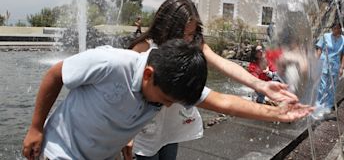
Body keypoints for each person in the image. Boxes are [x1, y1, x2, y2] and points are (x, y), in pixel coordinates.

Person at [127, 0, 310, 160]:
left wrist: (260, 84)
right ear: (165, 27)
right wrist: (127, 133)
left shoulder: (192, 44)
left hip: (172, 125)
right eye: (180, 33)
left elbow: (221, 63)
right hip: (145, 126)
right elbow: (128, 90)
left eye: (190, 34)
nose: (185, 40)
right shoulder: (145, 48)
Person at [22, 39, 208, 160]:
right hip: (61, 151)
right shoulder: (111, 63)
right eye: (165, 99)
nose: (167, 105)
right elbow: (55, 74)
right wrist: (36, 128)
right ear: (148, 75)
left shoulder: (165, 85)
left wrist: (126, 137)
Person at [314, 21, 344, 118]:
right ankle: (318, 105)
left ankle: (328, 106)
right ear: (332, 29)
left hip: (335, 64)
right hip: (324, 62)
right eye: (334, 28)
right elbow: (319, 49)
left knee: (332, 86)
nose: (336, 30)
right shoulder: (325, 36)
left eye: (337, 28)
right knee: (322, 85)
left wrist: (342, 67)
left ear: (340, 29)